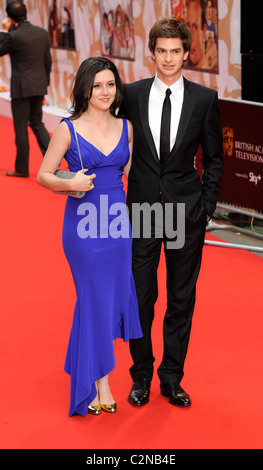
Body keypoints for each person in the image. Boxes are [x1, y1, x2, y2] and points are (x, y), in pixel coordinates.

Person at [120, 17, 223, 407]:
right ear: (152, 53)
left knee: (181, 298)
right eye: (161, 51)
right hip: (143, 210)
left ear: (186, 54)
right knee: (141, 298)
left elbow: (215, 159)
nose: (167, 58)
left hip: (185, 212)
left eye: (175, 51)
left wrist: (206, 206)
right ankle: (141, 375)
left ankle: (171, 377)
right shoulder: (130, 94)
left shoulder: (204, 99)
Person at [37, 57, 142, 417]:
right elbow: (44, 175)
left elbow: (132, 175)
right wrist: (71, 183)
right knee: (93, 298)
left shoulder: (126, 127)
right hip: (83, 230)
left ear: (117, 88)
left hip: (117, 228)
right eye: (97, 85)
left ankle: (87, 372)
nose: (104, 91)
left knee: (103, 302)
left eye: (110, 84)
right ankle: (101, 383)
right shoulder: (68, 128)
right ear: (84, 88)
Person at [0, 1, 52, 178]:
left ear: (10, 17)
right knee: (37, 123)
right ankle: (53, 158)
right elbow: (48, 61)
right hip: (39, 85)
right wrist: (45, 83)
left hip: (22, 89)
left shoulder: (14, 37)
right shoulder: (42, 33)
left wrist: (4, 31)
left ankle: (22, 168)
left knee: (21, 126)